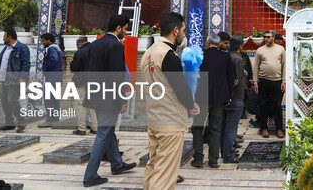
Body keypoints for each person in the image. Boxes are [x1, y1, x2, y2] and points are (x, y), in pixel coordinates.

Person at [142, 12, 199, 190]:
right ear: (175, 30)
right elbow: (180, 86)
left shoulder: (148, 53)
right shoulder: (167, 54)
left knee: (153, 167)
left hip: (154, 117)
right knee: (166, 174)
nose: (184, 34)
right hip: (170, 121)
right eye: (183, 30)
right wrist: (191, 105)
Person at [82, 14, 136, 187]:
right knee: (104, 133)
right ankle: (90, 175)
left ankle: (117, 163)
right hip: (109, 98)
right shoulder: (115, 46)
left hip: (96, 95)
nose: (126, 32)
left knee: (108, 129)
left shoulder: (95, 44)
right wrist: (121, 99)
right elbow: (116, 76)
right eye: (125, 28)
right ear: (118, 28)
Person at [191, 34, 234, 169]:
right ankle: (213, 160)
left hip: (201, 98)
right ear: (219, 43)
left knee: (198, 127)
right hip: (219, 99)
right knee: (215, 129)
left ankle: (198, 159)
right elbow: (230, 78)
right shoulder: (226, 57)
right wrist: (229, 96)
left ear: (208, 42)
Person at [0, 29, 30, 133]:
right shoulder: (6, 48)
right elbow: (2, 61)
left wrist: (22, 78)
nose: (3, 38)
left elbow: (26, 64)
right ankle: (9, 123)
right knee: (4, 101)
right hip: (4, 79)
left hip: (15, 80)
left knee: (12, 100)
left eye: (4, 36)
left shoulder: (22, 48)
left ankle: (21, 121)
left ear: (10, 37)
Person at [252, 30, 286, 138]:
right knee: (263, 105)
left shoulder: (280, 49)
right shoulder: (260, 50)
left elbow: (284, 65)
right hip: (263, 81)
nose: (266, 39)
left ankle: (279, 129)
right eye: (265, 37)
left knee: (277, 105)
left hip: (277, 81)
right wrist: (255, 82)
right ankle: (264, 128)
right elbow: (256, 67)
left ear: (273, 37)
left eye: (268, 37)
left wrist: (284, 81)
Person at [220, 36, 245, 163]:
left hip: (224, 97)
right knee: (231, 127)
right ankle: (228, 155)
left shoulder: (225, 57)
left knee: (224, 126)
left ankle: (224, 151)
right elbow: (237, 79)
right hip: (235, 97)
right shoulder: (238, 59)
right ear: (240, 46)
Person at [70, 36, 97, 135]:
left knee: (80, 103)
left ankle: (81, 128)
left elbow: (74, 68)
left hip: (81, 82)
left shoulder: (80, 52)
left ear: (79, 44)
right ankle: (95, 128)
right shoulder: (95, 51)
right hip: (94, 82)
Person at [40, 33, 63, 126]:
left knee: (48, 98)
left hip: (53, 75)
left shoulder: (51, 48)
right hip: (57, 75)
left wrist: (46, 69)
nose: (42, 43)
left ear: (49, 40)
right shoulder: (57, 47)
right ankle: (55, 118)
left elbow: (53, 59)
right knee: (54, 98)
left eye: (43, 40)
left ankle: (50, 119)